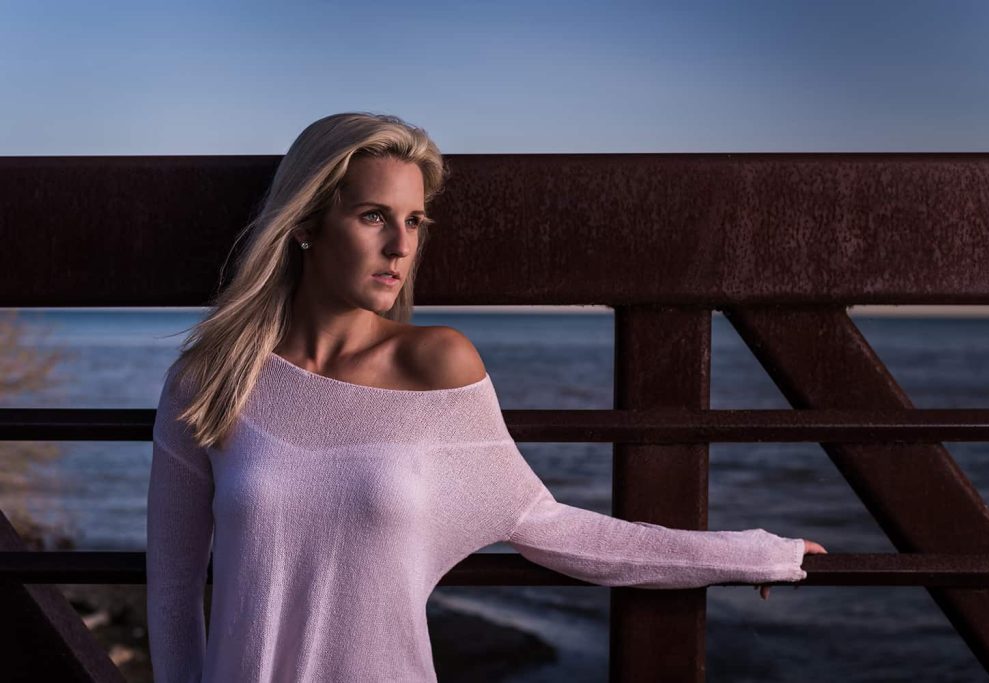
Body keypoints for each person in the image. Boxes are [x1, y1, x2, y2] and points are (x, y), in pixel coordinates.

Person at [146, 111, 828, 682]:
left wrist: (753, 553)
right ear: (304, 224)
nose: (400, 246)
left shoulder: (437, 366)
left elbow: (551, 527)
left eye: (415, 221)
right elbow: (174, 590)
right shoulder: (212, 378)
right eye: (373, 216)